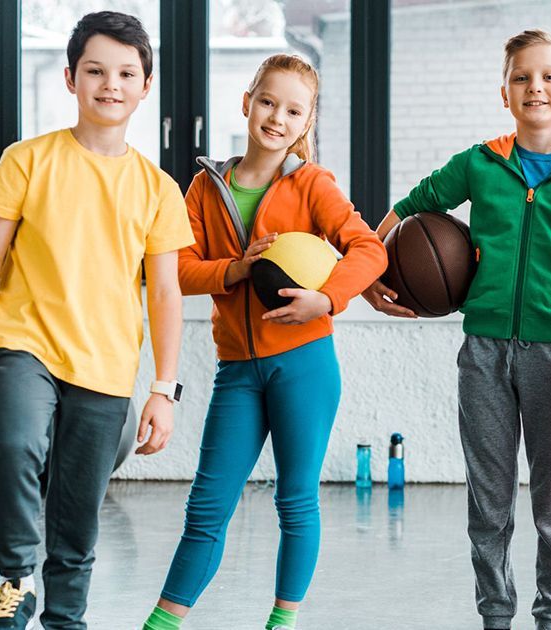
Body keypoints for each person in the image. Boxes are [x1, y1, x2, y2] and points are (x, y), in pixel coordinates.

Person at [362, 29, 551, 630]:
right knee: (489, 501)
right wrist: (369, 274)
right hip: (482, 352)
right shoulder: (479, 164)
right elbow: (410, 206)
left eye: (549, 76)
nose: (536, 87)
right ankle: (496, 615)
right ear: (504, 93)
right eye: (522, 77)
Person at [0, 11, 193, 630]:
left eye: (125, 73)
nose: (109, 84)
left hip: (106, 364)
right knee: (14, 446)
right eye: (95, 70)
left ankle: (65, 616)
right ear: (69, 78)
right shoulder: (27, 160)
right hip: (23, 346)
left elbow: (165, 294)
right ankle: (15, 579)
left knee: (78, 506)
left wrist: (163, 389)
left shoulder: (159, 189)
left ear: (146, 86)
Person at [142, 54, 387, 630]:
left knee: (295, 500)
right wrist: (235, 269)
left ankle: (283, 621)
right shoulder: (205, 187)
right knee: (206, 506)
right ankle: (161, 623)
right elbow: (176, 270)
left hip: (304, 363)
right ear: (247, 101)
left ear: (307, 124)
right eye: (268, 102)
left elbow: (369, 249)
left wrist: (326, 300)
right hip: (238, 370)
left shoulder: (313, 184)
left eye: (293, 110)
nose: (277, 117)